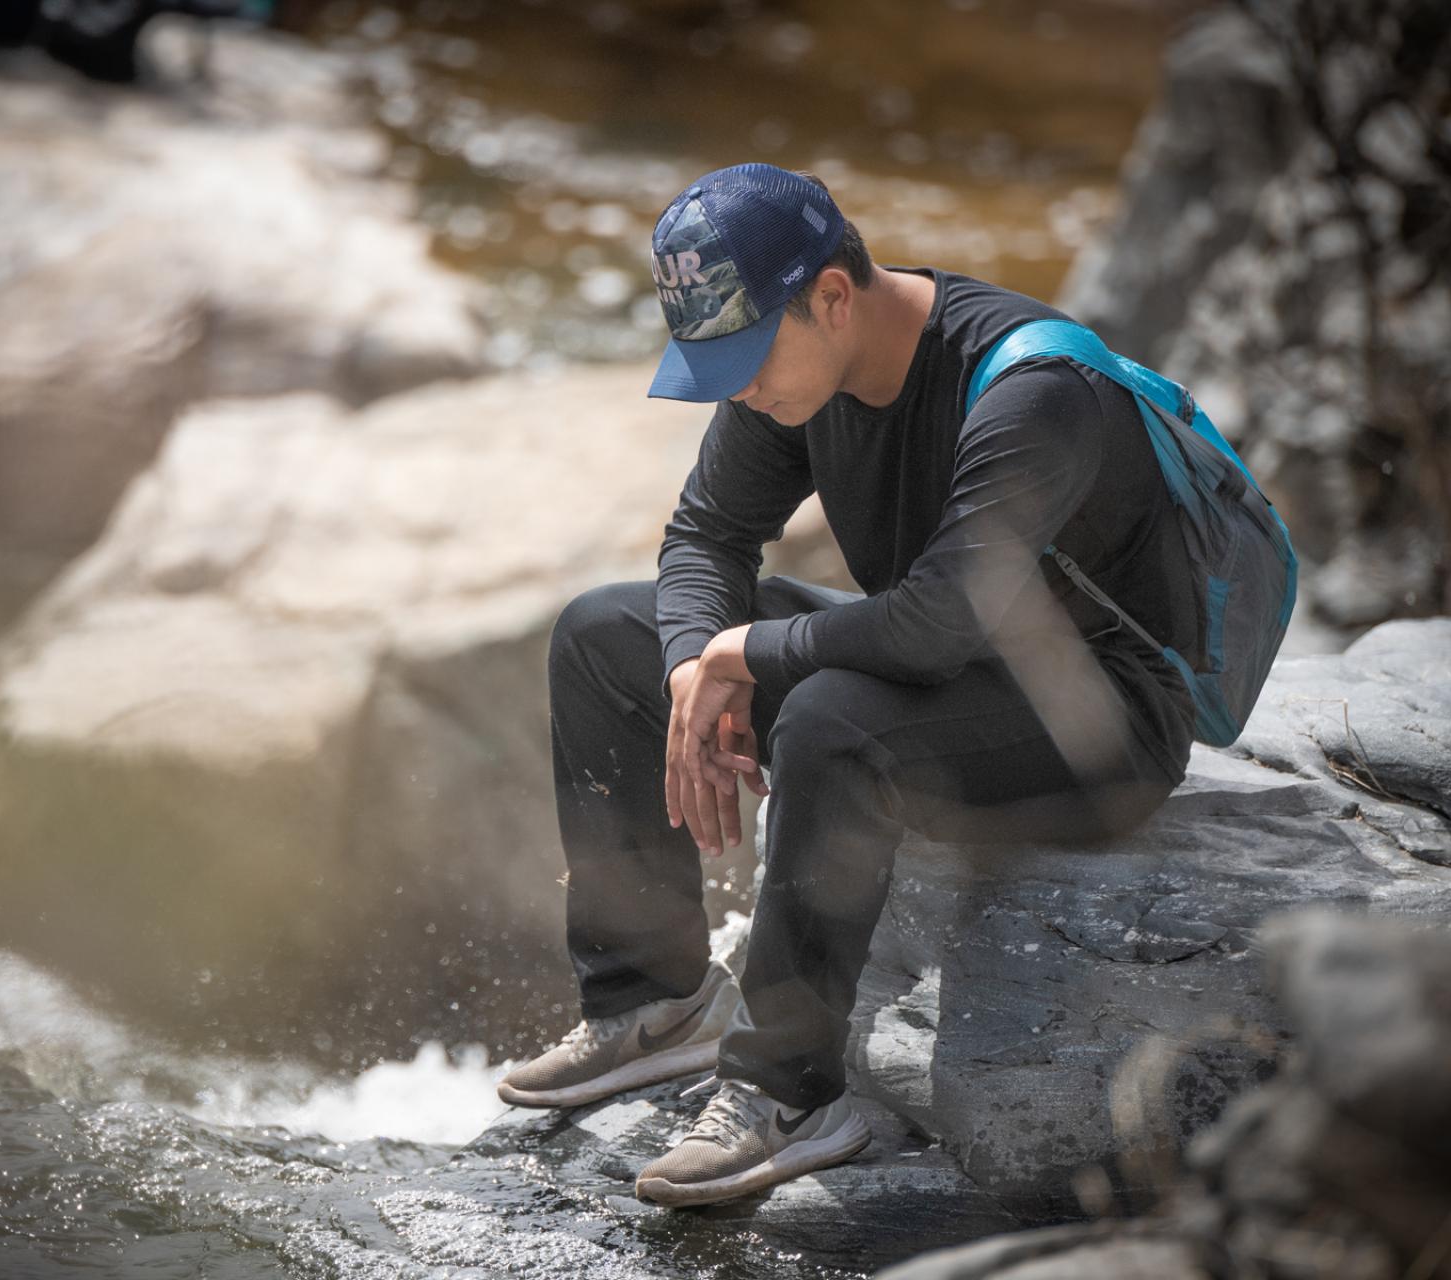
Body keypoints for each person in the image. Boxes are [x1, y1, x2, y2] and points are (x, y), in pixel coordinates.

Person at [496, 162, 1201, 1208]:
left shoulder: (1034, 390)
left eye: (743, 356)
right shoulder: (803, 369)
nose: (735, 387)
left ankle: (789, 1091)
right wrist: (695, 665)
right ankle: (653, 1002)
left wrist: (749, 655)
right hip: (936, 676)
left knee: (829, 712)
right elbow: (706, 533)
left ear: (832, 295)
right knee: (605, 634)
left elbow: (934, 624)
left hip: (1095, 721)